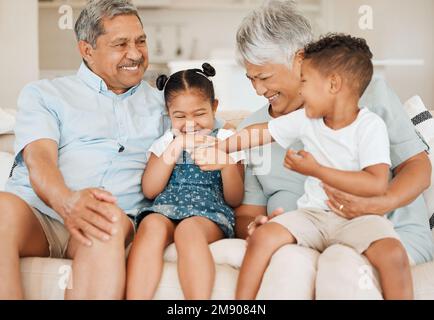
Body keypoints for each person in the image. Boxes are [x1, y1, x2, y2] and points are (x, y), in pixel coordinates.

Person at [197, 0, 432, 299]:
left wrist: (379, 204)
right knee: (290, 263)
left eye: (265, 77)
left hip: (386, 231)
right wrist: (254, 226)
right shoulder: (267, 123)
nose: (257, 90)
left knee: (341, 265)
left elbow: (418, 167)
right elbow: (248, 212)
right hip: (309, 234)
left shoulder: (366, 94)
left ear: (300, 60)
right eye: (250, 78)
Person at [0, 0, 170, 299]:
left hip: (113, 220)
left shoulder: (167, 105)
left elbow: (219, 140)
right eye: (121, 44)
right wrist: (67, 201)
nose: (135, 53)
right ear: (87, 50)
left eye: (140, 41)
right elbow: (39, 159)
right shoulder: (46, 94)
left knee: (106, 219)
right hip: (40, 214)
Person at [126, 63, 244, 300]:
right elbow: (150, 190)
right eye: (180, 116)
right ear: (169, 114)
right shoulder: (165, 142)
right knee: (151, 226)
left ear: (214, 107)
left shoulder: (226, 139)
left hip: (208, 213)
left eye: (199, 114)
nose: (190, 124)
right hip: (165, 208)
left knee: (189, 231)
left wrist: (226, 163)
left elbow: (234, 198)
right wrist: (176, 145)